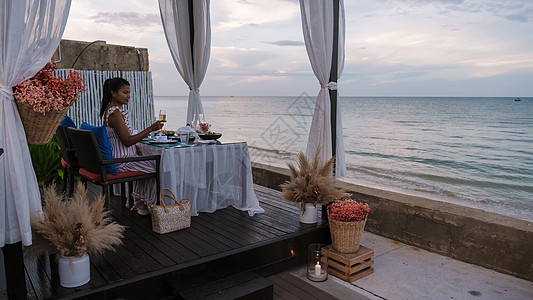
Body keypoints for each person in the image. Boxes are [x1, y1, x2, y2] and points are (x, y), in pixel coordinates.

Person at [99, 77, 165, 215]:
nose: (128, 96)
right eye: (125, 92)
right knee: (156, 167)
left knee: (147, 161)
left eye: (129, 92)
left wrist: (136, 146)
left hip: (123, 158)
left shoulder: (112, 110)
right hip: (122, 162)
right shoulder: (115, 113)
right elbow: (127, 141)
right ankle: (148, 204)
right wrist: (151, 128)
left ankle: (141, 202)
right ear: (113, 93)